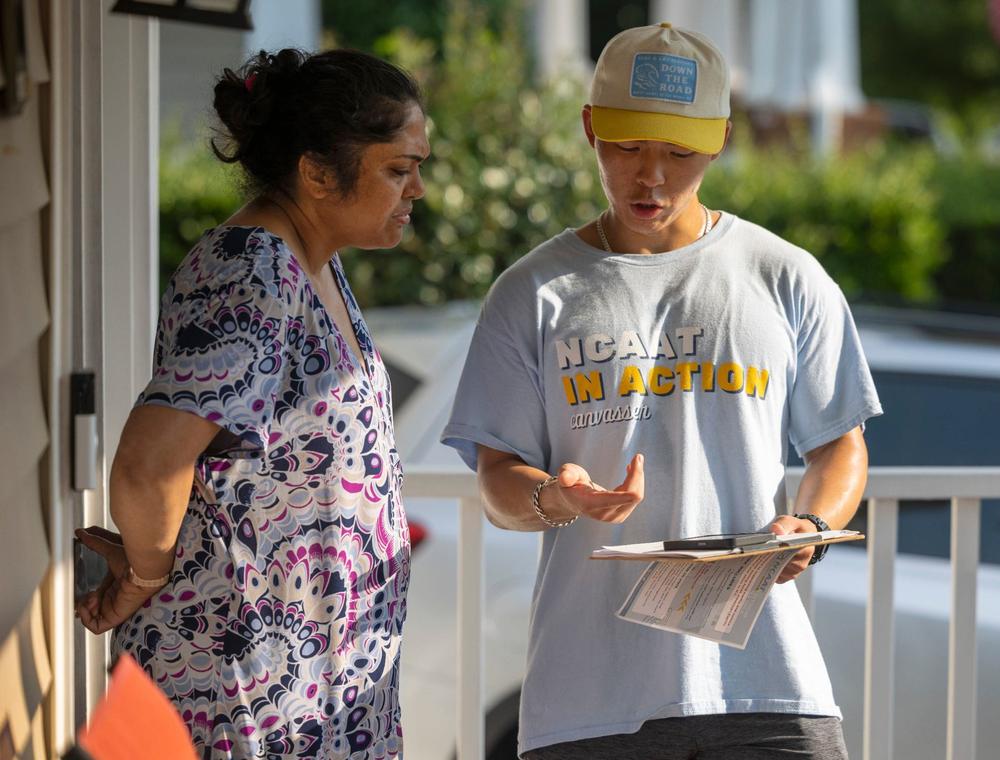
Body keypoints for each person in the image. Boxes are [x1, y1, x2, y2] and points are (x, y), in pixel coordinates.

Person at [442, 23, 881, 759]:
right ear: (589, 130)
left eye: (679, 154)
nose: (651, 176)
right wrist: (558, 496)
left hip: (766, 685)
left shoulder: (785, 274)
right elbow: (495, 482)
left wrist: (809, 528)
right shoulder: (531, 293)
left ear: (721, 140)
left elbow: (841, 444)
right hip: (589, 699)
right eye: (627, 147)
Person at [75, 48, 429, 758]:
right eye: (398, 167)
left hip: (314, 687)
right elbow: (148, 467)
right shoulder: (253, 269)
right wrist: (147, 572)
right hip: (243, 691)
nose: (417, 188)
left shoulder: (309, 261)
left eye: (421, 165)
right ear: (317, 172)